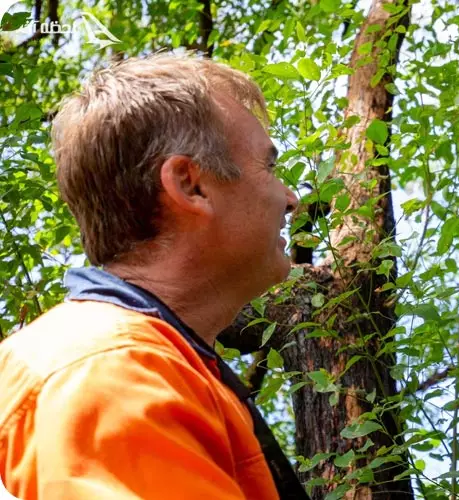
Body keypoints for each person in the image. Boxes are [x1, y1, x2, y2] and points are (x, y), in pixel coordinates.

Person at [0, 54, 309, 499]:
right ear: (190, 185)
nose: (291, 199)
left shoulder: (138, 363)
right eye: (270, 168)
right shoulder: (111, 371)